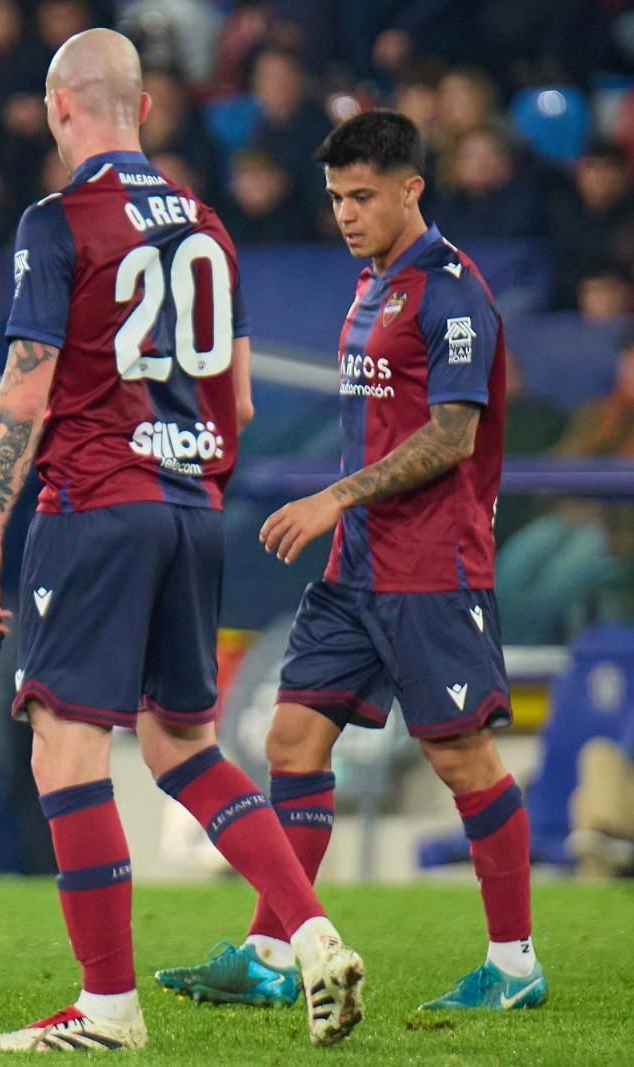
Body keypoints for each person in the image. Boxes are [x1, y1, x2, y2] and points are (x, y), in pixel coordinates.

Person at [0, 30, 364, 1052]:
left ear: (61, 110)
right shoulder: (207, 225)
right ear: (141, 109)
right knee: (177, 740)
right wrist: (190, 478)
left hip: (95, 501)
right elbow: (236, 391)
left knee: (64, 743)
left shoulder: (57, 220)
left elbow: (26, 383)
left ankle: (106, 1009)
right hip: (189, 503)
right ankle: (309, 931)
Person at [154, 109, 545, 1014]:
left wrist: (336, 494)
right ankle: (265, 949)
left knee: (463, 758)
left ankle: (516, 963)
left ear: (412, 188)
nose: (345, 213)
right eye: (335, 197)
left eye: (363, 196)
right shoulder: (373, 286)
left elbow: (454, 436)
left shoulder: (452, 292)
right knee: (291, 739)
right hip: (356, 567)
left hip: (431, 568)